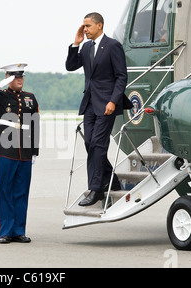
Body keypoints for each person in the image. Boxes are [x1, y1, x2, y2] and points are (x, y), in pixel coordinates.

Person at [65, 13, 132, 206]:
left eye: (87, 26)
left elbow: (121, 77)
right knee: (89, 143)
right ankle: (112, 179)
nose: (84, 29)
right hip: (89, 104)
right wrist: (75, 44)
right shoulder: (86, 47)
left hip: (107, 105)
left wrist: (113, 100)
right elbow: (70, 66)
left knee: (98, 145)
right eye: (83, 26)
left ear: (99, 26)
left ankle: (95, 190)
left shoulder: (112, 46)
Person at [0, 63, 39, 244]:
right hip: (4, 148)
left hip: (25, 150)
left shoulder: (30, 98)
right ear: (9, 78)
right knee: (5, 190)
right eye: (15, 77)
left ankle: (19, 231)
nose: (19, 80)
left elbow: (35, 124)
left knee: (22, 191)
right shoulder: (0, 96)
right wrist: (1, 83)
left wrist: (35, 151)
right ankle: (5, 231)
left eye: (21, 77)